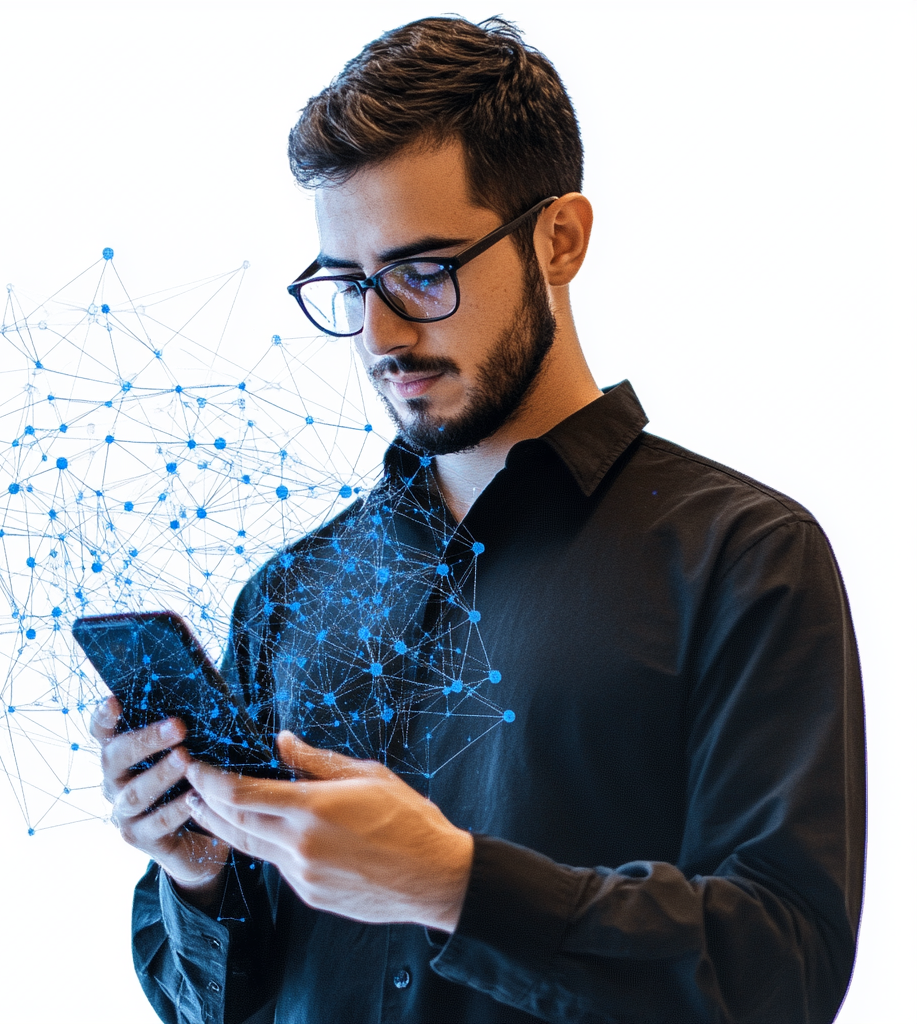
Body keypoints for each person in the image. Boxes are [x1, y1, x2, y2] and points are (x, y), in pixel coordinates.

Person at [91, 16, 865, 1024]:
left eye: (421, 271)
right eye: (347, 283)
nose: (378, 333)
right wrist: (198, 877)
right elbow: (214, 1007)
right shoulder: (286, 597)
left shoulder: (743, 558)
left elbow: (783, 969)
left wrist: (452, 884)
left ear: (560, 238)